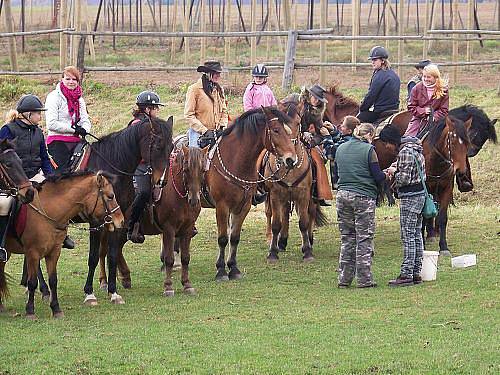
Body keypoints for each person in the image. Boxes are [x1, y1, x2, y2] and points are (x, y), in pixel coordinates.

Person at [333, 123, 388, 288]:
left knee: (347, 238)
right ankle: (364, 279)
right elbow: (378, 176)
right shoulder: (369, 151)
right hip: (363, 197)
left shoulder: (340, 148)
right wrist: (389, 173)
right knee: (364, 238)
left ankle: (344, 279)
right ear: (369, 135)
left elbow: (335, 173)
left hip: (342, 195)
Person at [0, 95, 53, 262]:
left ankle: (59, 235)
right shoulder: (7, 130)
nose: (40, 116)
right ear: (28, 114)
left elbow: (44, 158)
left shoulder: (38, 132)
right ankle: (2, 243)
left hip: (35, 174)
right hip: (14, 178)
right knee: (6, 204)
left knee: (55, 198)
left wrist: (52, 179)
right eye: (38, 113)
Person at [385, 136, 426, 286]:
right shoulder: (417, 151)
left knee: (407, 235)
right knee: (416, 234)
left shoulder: (405, 153)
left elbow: (404, 179)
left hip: (410, 198)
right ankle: (416, 272)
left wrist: (394, 172)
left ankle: (406, 274)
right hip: (420, 196)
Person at [127, 91, 164, 243]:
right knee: (143, 193)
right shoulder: (136, 125)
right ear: (147, 109)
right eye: (156, 108)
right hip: (139, 166)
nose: (158, 111)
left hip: (153, 165)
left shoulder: (152, 124)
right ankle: (132, 224)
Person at [45, 66, 92, 172]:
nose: (71, 82)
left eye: (74, 79)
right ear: (62, 80)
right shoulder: (53, 97)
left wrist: (85, 129)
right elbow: (51, 124)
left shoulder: (80, 100)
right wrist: (74, 130)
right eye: (68, 79)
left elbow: (85, 119)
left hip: (77, 141)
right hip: (57, 141)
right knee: (61, 176)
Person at [300, 84, 334, 206]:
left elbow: (321, 133)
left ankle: (317, 192)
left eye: (318, 98)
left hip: (307, 143)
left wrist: (312, 141)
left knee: (319, 161)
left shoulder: (316, 113)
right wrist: (299, 133)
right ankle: (260, 187)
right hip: (288, 138)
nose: (316, 100)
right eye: (314, 97)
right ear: (309, 95)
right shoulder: (296, 103)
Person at [184, 60, 228, 148]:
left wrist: (222, 126)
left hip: (216, 132)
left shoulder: (219, 90)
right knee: (196, 157)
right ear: (208, 73)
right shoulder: (194, 89)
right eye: (215, 73)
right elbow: (189, 115)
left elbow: (224, 111)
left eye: (219, 73)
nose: (218, 75)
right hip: (198, 133)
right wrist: (204, 131)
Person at [358, 46, 401, 124]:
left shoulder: (380, 75)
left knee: (358, 119)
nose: (372, 62)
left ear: (382, 60)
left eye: (375, 60)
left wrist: (362, 108)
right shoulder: (393, 74)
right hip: (394, 109)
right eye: (372, 60)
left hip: (381, 111)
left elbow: (371, 95)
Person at [405, 64, 449, 137]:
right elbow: (411, 107)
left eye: (428, 77)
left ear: (436, 77)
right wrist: (423, 111)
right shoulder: (416, 88)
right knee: (409, 139)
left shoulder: (443, 89)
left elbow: (444, 109)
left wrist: (434, 117)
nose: (425, 79)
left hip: (438, 121)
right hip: (418, 119)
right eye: (424, 76)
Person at [324, 115, 360, 189]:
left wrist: (327, 136)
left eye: (343, 126)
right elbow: (340, 139)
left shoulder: (346, 143)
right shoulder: (352, 139)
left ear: (349, 131)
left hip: (344, 183)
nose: (340, 127)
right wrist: (333, 130)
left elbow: (330, 153)